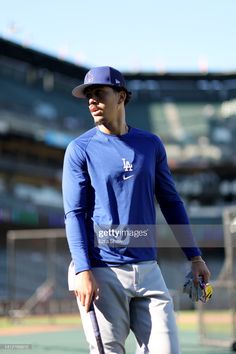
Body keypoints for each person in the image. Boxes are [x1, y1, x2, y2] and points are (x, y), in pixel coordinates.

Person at [62, 66, 210, 354]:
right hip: (103, 270)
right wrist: (82, 270)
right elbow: (74, 214)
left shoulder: (150, 144)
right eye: (88, 96)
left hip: (148, 270)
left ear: (121, 96)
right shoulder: (80, 149)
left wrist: (195, 256)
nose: (92, 101)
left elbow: (171, 202)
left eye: (99, 93)